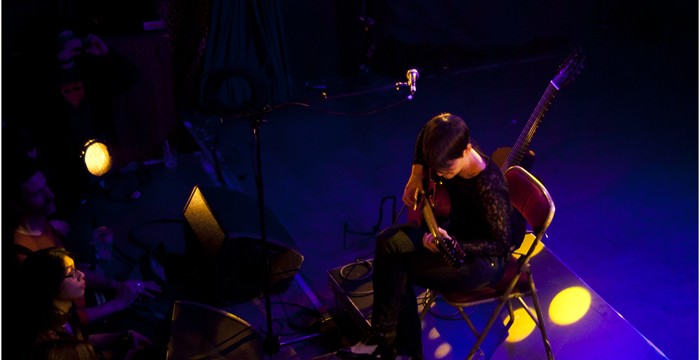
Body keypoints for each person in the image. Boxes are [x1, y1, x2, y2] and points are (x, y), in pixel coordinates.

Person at [337, 113, 523, 359]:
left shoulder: (490, 187)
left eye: (447, 169)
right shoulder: (451, 144)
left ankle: (399, 348)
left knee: (397, 267)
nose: (442, 174)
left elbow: (500, 244)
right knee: (387, 242)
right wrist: (416, 174)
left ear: (467, 150)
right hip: (449, 236)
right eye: (437, 168)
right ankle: (387, 342)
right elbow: (427, 130)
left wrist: (454, 244)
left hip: (480, 262)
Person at [4, 159, 165, 345]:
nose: (49, 194)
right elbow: (62, 323)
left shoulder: (43, 226)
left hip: (84, 303)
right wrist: (119, 303)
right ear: (15, 204)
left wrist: (117, 285)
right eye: (36, 193)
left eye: (46, 185)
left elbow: (71, 271)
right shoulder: (24, 258)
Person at [14, 247, 152, 360]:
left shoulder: (63, 314)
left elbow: (81, 340)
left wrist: (123, 336)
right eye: (72, 272)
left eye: (76, 268)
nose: (82, 274)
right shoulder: (53, 344)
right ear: (50, 285)